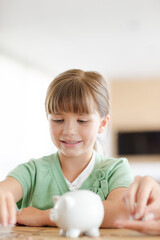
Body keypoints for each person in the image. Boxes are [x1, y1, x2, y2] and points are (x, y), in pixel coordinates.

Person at [0, 69, 133, 228]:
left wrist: (47, 216)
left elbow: (121, 213)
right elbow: (4, 192)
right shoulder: (32, 172)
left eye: (82, 121)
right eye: (58, 120)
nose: (69, 130)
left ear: (102, 124)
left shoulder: (115, 170)